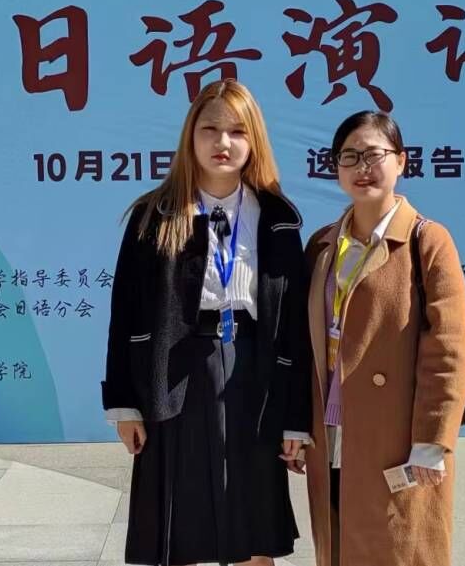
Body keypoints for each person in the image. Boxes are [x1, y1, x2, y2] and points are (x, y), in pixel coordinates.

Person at [102, 79, 313, 566]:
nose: (223, 142)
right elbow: (124, 313)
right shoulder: (154, 214)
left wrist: (296, 418)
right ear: (190, 136)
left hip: (254, 373)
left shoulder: (277, 216)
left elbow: (294, 327)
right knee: (180, 527)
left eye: (238, 131)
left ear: (254, 140)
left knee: (253, 526)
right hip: (174, 373)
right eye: (210, 129)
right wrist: (125, 405)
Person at [300, 110, 465, 566]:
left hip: (396, 436)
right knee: (338, 548)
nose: (362, 168)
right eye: (349, 157)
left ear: (400, 160)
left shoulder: (427, 241)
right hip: (331, 431)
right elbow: (302, 346)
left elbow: (449, 348)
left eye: (373, 155)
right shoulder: (321, 245)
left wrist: (431, 440)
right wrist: (296, 425)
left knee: (398, 549)